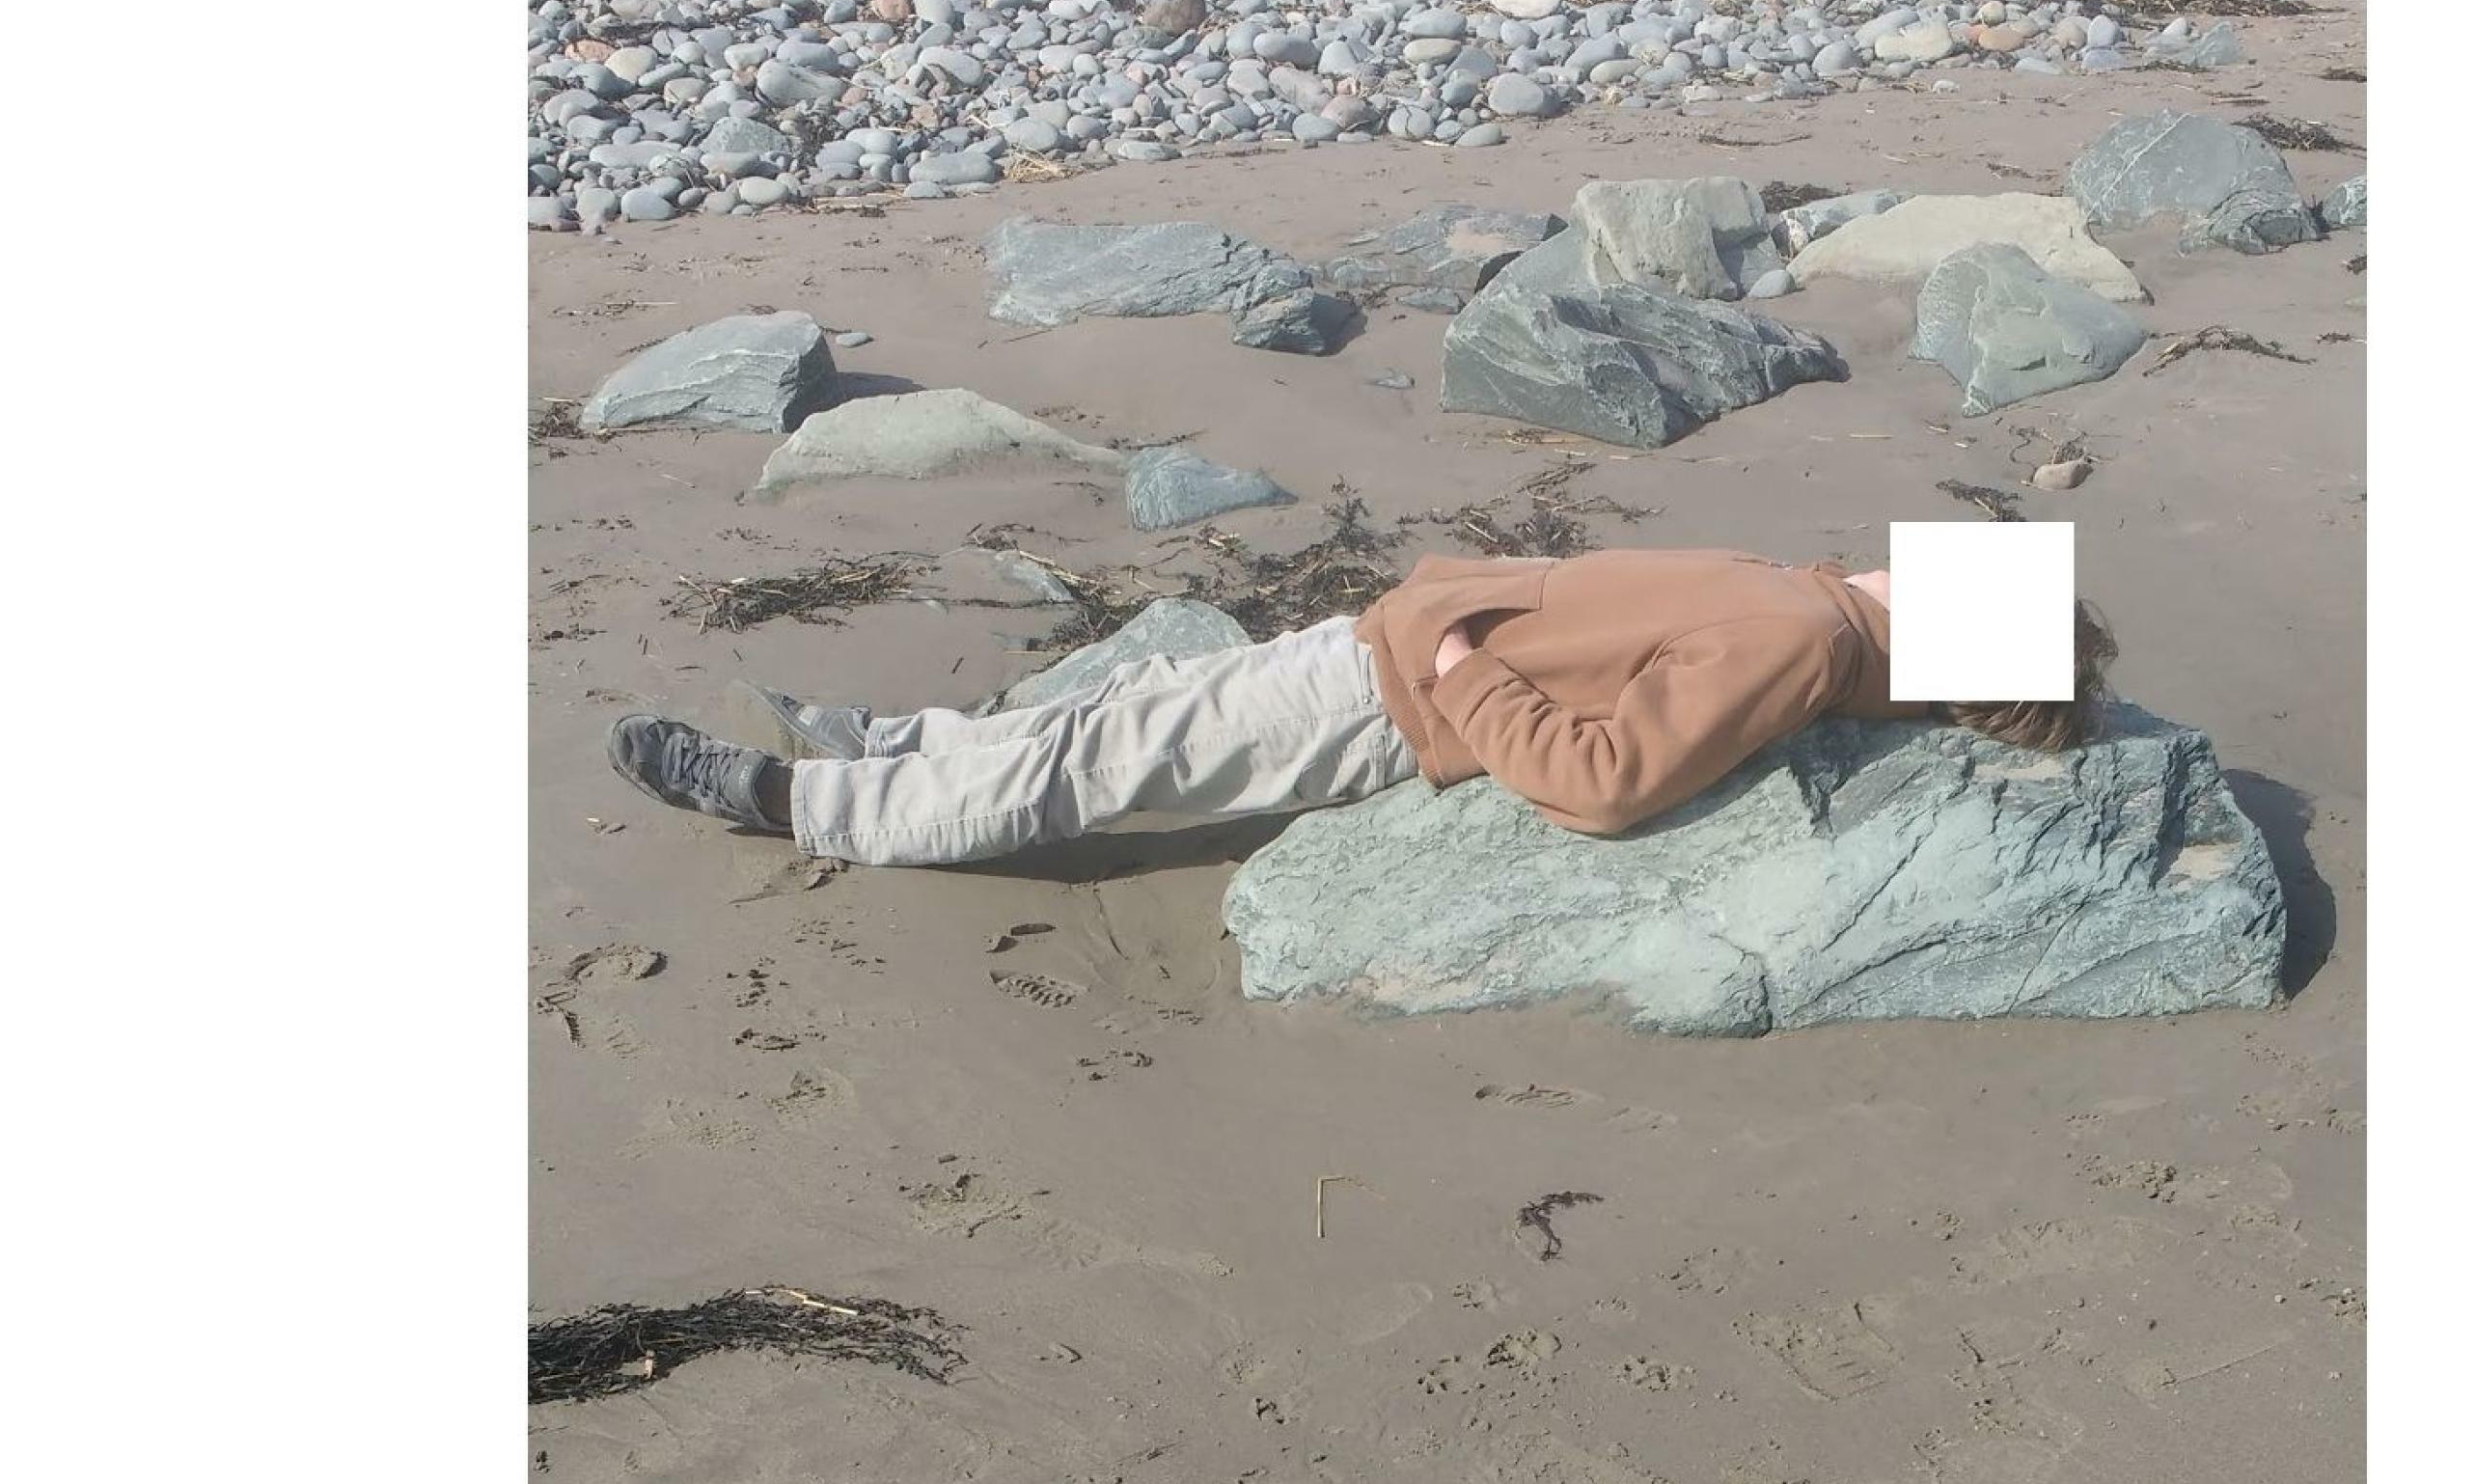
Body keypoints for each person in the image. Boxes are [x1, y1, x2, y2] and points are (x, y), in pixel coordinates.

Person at [607, 547, 2116, 867]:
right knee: (1124, 704)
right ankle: (900, 749)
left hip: (1390, 697)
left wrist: (1457, 668)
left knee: (1104, 757)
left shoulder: (1797, 636)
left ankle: (803, 805)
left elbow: (1608, 781)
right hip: (1383, 651)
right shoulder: (1818, 605)